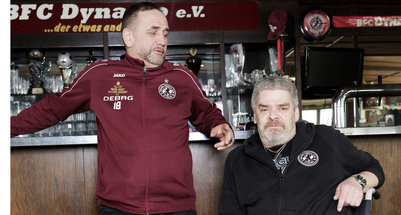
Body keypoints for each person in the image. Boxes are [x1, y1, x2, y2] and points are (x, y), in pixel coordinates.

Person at [11, 2, 235, 215]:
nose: (162, 40)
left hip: (177, 206)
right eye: (153, 32)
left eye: (165, 33)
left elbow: (206, 112)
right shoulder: (100, 75)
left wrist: (219, 125)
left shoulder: (182, 77)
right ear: (129, 37)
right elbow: (52, 108)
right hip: (117, 207)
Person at [219, 76, 384, 214]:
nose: (273, 116)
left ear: (296, 113)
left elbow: (375, 169)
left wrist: (357, 181)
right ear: (255, 116)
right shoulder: (238, 160)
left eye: (283, 108)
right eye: (264, 109)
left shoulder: (325, 139)